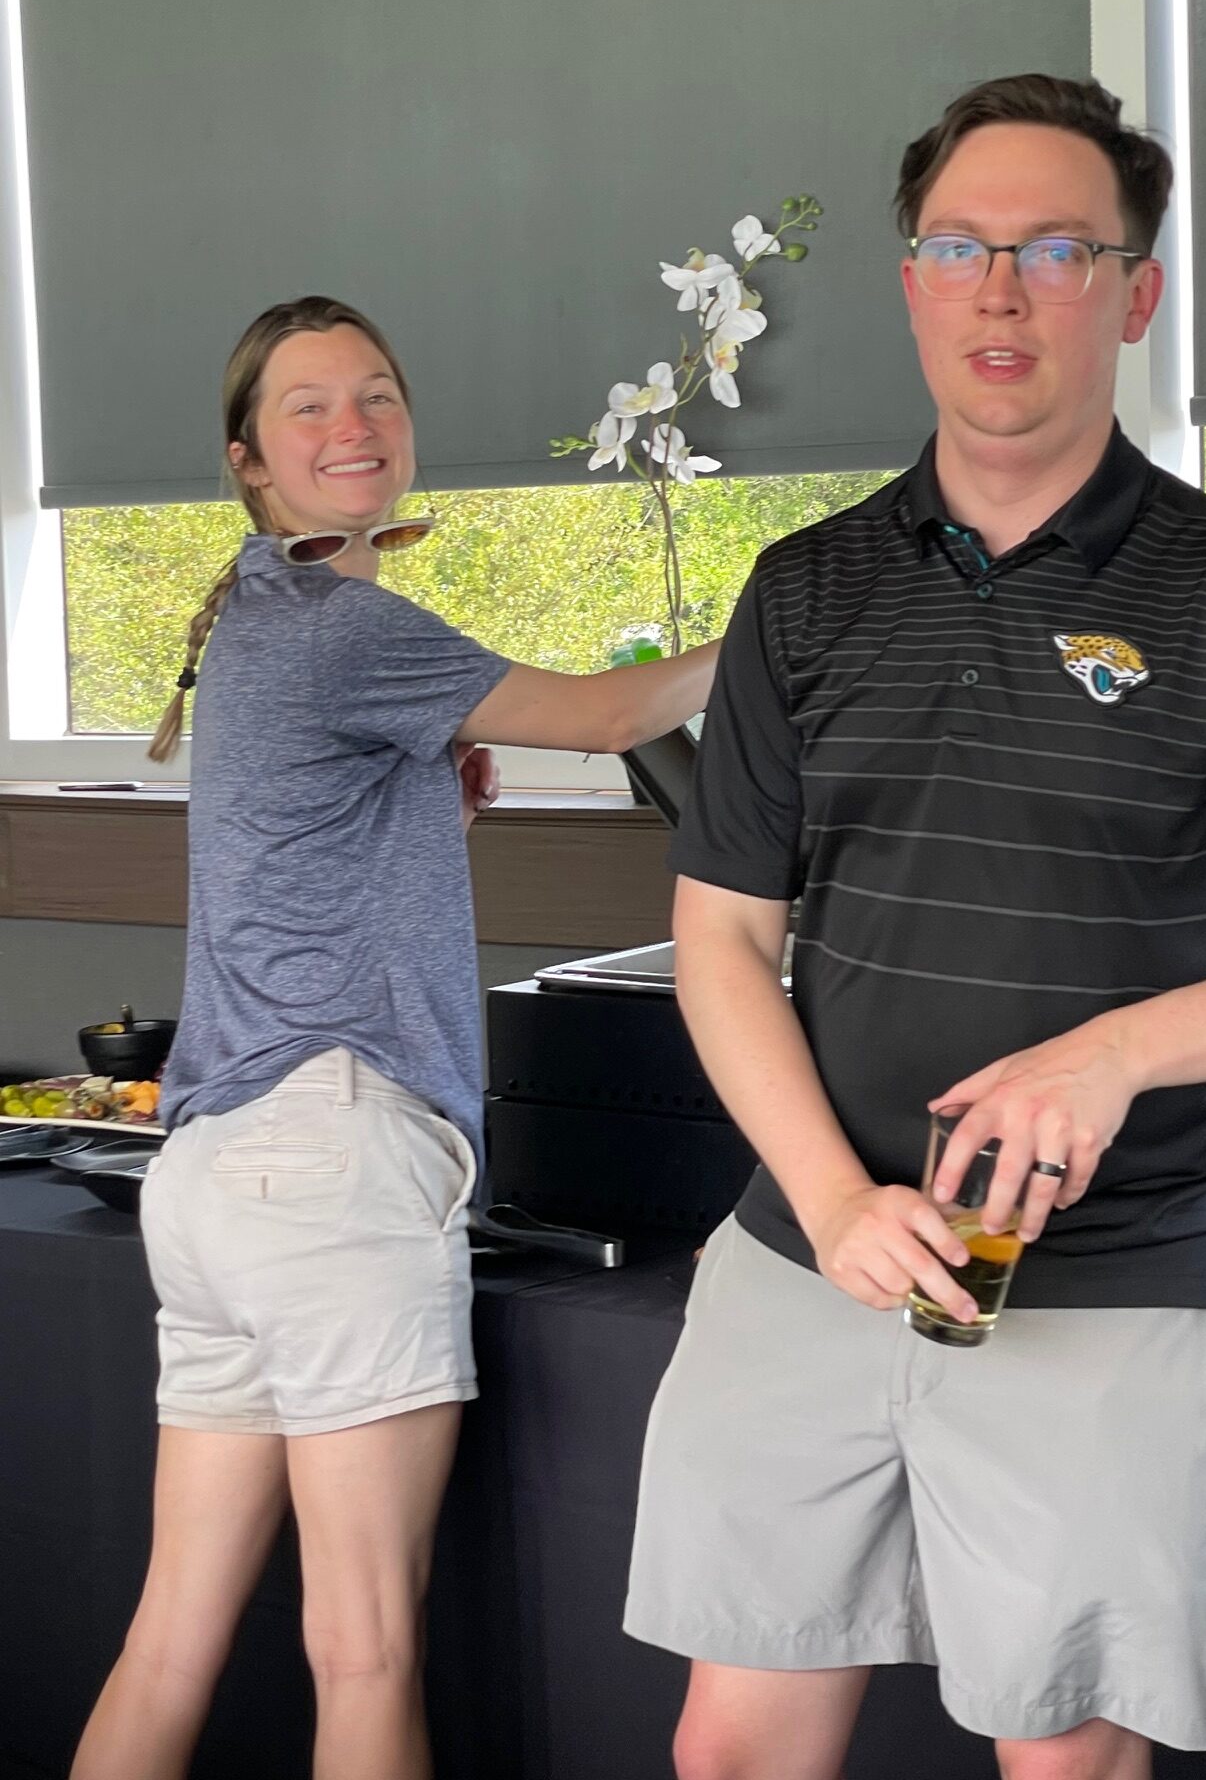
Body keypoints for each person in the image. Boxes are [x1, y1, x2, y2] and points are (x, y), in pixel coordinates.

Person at [623, 75, 1206, 1780]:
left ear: (1134, 296)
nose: (1001, 289)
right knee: (731, 1748)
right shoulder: (804, 588)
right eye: (960, 247)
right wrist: (835, 1198)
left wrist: (1113, 1057)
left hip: (1110, 1293)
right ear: (914, 282)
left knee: (1063, 1760)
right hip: (809, 1266)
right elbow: (720, 941)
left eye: (1055, 250)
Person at [70, 295, 717, 1780]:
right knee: (363, 1649)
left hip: (216, 1181)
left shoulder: (259, 615)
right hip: (334, 1168)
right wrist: (784, 617)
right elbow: (620, 713)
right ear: (250, 461)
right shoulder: (347, 624)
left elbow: (316, 831)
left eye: (375, 395)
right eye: (309, 407)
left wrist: (430, 805)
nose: (352, 425)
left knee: (173, 1635)